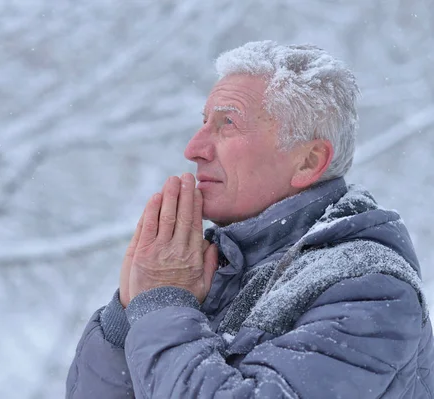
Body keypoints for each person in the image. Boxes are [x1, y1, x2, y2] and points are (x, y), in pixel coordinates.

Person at [65, 40, 434, 398]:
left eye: (227, 123)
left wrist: (162, 303)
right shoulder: (209, 267)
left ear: (307, 161)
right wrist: (128, 316)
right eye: (204, 121)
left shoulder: (369, 291)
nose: (194, 148)